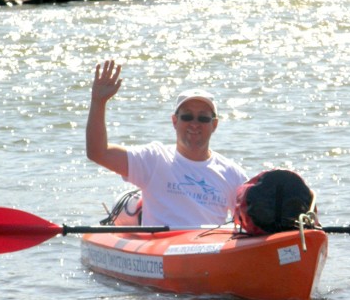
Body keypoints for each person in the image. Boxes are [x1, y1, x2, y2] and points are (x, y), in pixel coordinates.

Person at [86, 59, 248, 227]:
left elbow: (251, 221)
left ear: (214, 124)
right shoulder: (154, 159)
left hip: (211, 248)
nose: (194, 123)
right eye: (187, 116)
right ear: (174, 121)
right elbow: (98, 153)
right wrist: (98, 102)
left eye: (203, 118)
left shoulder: (233, 174)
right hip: (162, 248)